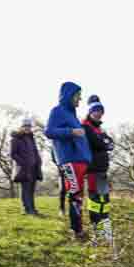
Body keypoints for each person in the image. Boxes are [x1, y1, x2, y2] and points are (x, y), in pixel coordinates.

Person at [45, 82, 92, 241]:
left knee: (79, 196)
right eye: (78, 96)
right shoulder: (57, 111)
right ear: (69, 95)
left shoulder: (72, 115)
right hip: (68, 160)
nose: (80, 99)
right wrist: (71, 131)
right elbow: (49, 131)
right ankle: (76, 232)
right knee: (74, 194)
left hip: (80, 160)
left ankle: (79, 229)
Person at [82, 95, 115, 245]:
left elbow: (111, 143)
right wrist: (104, 143)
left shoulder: (99, 128)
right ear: (90, 111)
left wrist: (105, 142)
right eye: (95, 110)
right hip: (92, 170)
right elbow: (98, 144)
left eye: (100, 110)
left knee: (105, 201)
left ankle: (106, 233)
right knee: (94, 201)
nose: (98, 113)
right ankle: (96, 234)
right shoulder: (85, 126)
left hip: (102, 170)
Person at [10, 118, 43, 215]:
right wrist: (23, 163)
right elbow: (13, 154)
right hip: (23, 169)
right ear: (21, 127)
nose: (27, 128)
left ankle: (32, 208)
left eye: (29, 126)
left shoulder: (31, 138)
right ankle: (27, 209)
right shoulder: (15, 139)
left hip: (34, 168)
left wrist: (39, 161)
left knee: (31, 190)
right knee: (25, 190)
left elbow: (35, 152)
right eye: (25, 126)